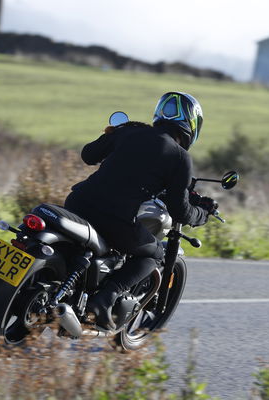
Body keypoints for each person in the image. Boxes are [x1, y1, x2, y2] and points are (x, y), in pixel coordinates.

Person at [64, 91, 216, 330]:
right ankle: (105, 298)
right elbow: (180, 210)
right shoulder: (180, 158)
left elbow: (88, 155)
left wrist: (114, 135)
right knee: (154, 254)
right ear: (192, 124)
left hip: (77, 202)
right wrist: (202, 214)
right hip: (114, 219)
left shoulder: (129, 131)